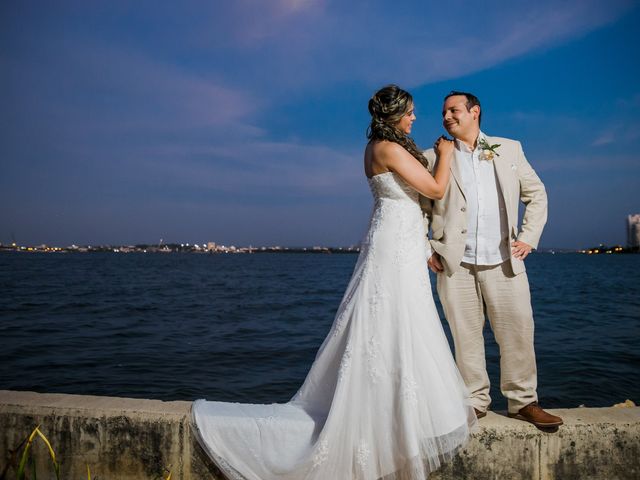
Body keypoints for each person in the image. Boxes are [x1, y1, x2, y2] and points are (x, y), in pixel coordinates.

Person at [191, 85, 476, 480]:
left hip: (406, 242)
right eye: (410, 112)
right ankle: (383, 418)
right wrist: (445, 155)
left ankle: (400, 410)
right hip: (393, 244)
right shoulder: (384, 148)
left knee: (405, 323)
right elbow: (434, 189)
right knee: (389, 319)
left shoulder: (390, 145)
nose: (415, 117)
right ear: (394, 114)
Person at [420, 91, 563, 428]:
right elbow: (420, 209)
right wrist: (427, 249)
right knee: (465, 336)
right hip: (455, 265)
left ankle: (523, 402)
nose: (446, 117)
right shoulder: (433, 156)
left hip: (505, 263)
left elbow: (537, 194)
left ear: (475, 111)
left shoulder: (508, 148)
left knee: (518, 332)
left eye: (453, 110)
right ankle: (474, 402)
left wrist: (529, 236)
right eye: (443, 112)